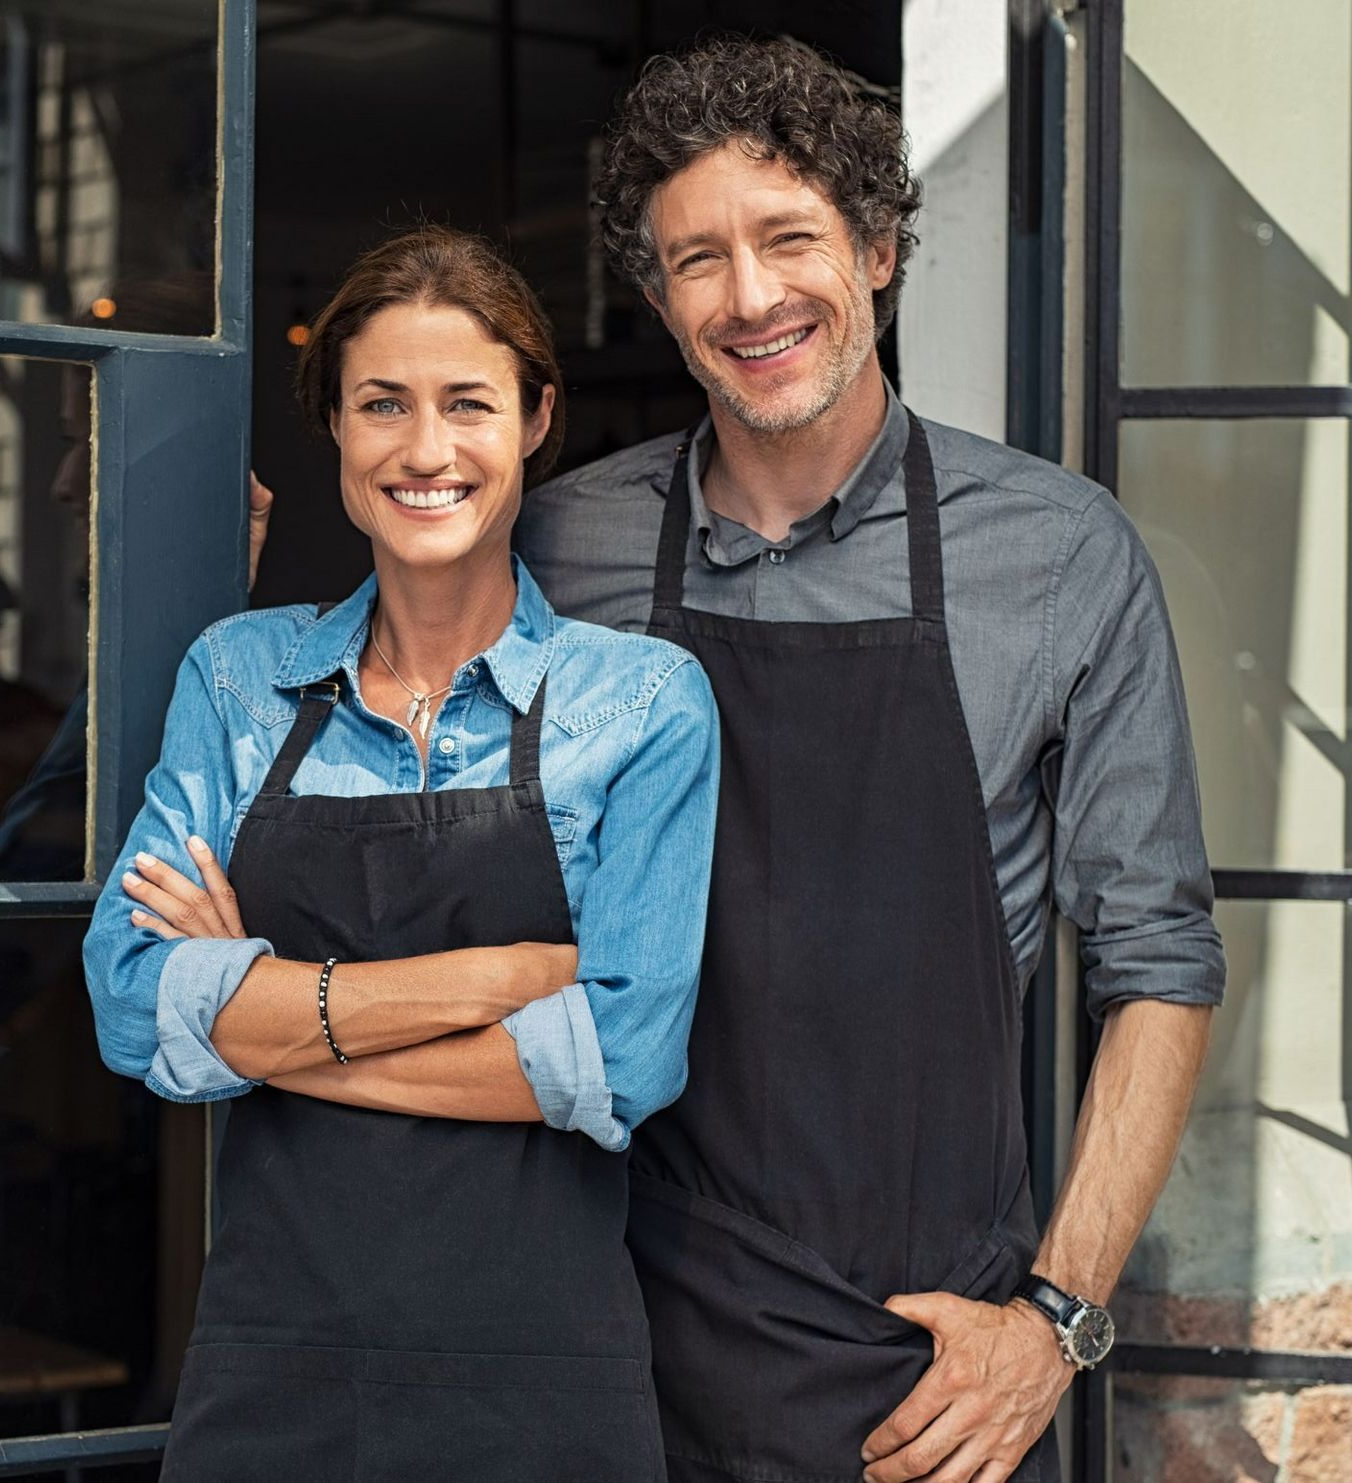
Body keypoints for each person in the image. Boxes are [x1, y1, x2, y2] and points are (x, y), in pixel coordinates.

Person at [506, 35, 1222, 1483]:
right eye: (697, 258)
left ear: (881, 249)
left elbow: (1159, 961)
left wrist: (1057, 1314)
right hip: (601, 1316)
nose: (752, 295)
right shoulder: (555, 543)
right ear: (657, 296)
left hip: (920, 1366)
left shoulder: (1059, 552)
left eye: (789, 238)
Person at [82, 225, 718, 1480]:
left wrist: (263, 1026)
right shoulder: (241, 678)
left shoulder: (642, 704)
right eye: (383, 404)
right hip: (275, 1367)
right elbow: (124, 1001)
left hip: (541, 1380)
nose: (426, 450)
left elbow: (624, 1061)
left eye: (468, 404)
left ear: (537, 419)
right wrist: (499, 982)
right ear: (335, 428)